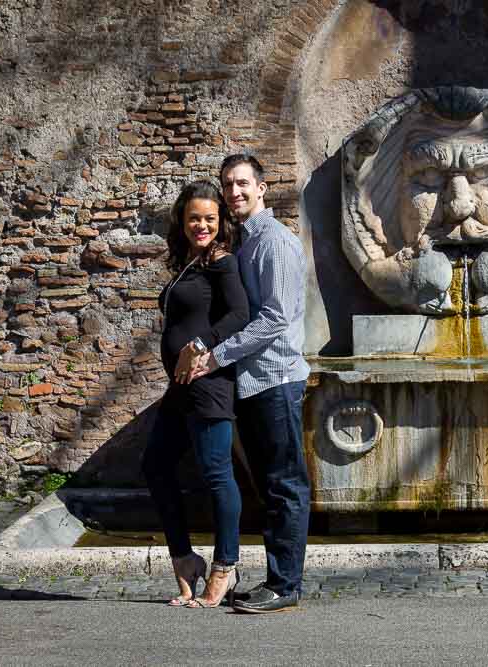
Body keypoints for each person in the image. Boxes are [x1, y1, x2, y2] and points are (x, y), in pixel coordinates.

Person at [176, 153, 311, 614]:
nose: (234, 193)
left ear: (262, 187)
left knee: (285, 485)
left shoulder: (273, 241)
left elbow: (273, 318)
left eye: (242, 184)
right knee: (269, 486)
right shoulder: (244, 241)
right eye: (227, 185)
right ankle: (276, 578)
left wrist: (215, 357)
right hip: (252, 383)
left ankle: (287, 584)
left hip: (275, 378)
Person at [142, 180, 250, 609]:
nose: (201, 225)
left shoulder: (221, 262)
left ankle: (226, 565)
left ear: (220, 221)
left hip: (208, 386)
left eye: (209, 218)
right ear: (181, 220)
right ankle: (184, 558)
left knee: (216, 472)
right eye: (193, 218)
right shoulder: (189, 261)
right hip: (181, 387)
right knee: (155, 466)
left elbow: (241, 314)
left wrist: (201, 345)